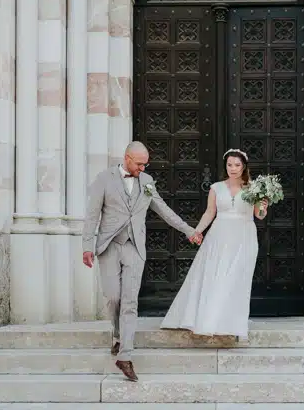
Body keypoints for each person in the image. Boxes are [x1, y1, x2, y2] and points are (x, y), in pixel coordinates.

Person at [82, 141, 202, 382]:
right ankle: (117, 336)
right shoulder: (104, 179)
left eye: (145, 164)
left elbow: (163, 209)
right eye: (139, 164)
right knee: (113, 296)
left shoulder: (146, 182)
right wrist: (87, 246)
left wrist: (189, 230)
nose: (143, 168)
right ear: (127, 158)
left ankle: (125, 355)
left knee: (129, 301)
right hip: (109, 246)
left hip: (135, 248)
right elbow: (92, 214)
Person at [161, 149, 268, 339]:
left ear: (243, 167)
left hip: (244, 236)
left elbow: (259, 215)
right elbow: (210, 213)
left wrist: (263, 207)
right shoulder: (216, 188)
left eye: (237, 165)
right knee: (216, 276)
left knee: (236, 278)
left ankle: (231, 322)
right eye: (229, 165)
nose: (233, 168)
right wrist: (197, 231)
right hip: (219, 236)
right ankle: (210, 320)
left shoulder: (254, 188)